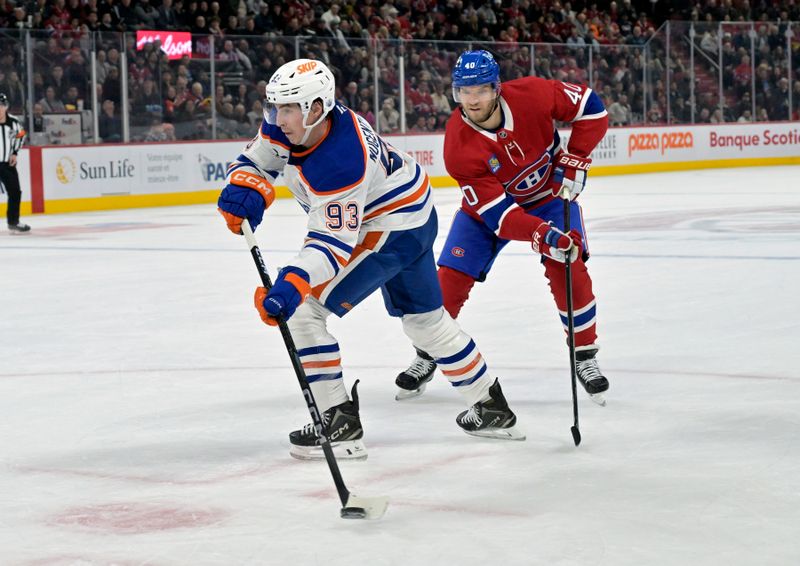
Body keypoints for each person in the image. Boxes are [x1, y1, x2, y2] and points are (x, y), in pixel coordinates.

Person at [217, 59, 525, 460]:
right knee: (426, 322)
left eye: (289, 109)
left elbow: (331, 244)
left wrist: (293, 282)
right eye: (274, 107)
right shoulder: (295, 122)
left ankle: (339, 422)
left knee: (302, 312)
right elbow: (260, 158)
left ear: (315, 108)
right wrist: (248, 184)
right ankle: (491, 407)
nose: (278, 118)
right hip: (414, 212)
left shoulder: (341, 160)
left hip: (390, 227)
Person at [396, 50, 610, 405]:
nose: (472, 100)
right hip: (487, 214)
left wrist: (577, 157)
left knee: (568, 265)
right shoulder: (458, 146)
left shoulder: (534, 94)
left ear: (497, 88)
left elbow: (593, 108)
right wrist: (543, 234)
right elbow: (502, 218)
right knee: (449, 279)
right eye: (464, 92)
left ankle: (585, 354)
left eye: (480, 90)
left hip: (548, 197)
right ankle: (428, 351)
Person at [0, 93, 29, 233]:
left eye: (1, 105)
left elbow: (21, 135)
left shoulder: (13, 122)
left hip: (6, 164)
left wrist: (15, 152)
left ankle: (13, 222)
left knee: (15, 192)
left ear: (6, 107)